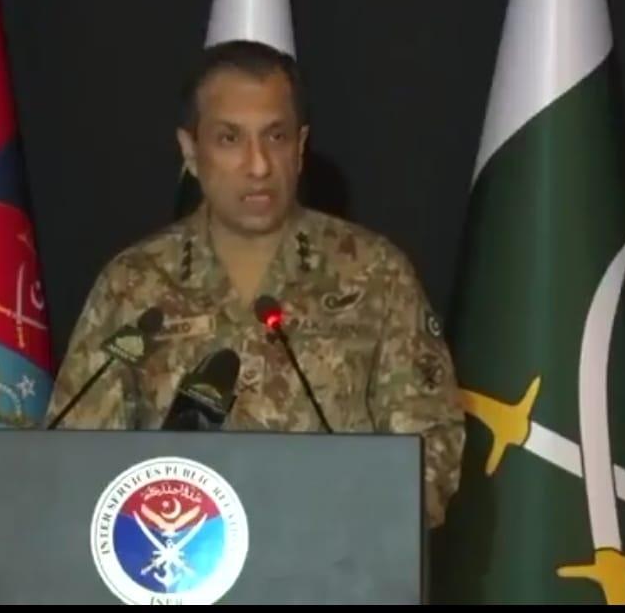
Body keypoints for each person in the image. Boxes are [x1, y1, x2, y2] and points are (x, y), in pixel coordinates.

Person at [42, 40, 466, 529]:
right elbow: (78, 455)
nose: (259, 165)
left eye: (276, 137)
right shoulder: (134, 284)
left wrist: (352, 521)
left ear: (300, 148)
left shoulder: (375, 274)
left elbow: (431, 448)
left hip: (333, 559)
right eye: (229, 139)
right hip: (176, 556)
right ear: (190, 151)